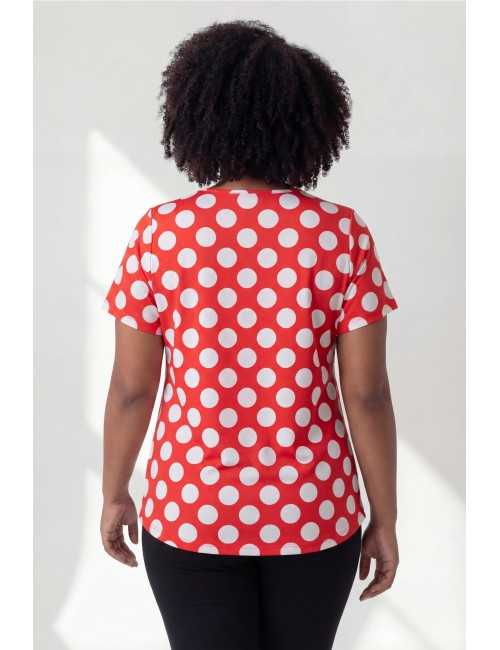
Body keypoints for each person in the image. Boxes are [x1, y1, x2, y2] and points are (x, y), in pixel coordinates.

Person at [100, 19, 399, 650]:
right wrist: (385, 516)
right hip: (314, 511)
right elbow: (367, 394)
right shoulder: (340, 234)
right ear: (309, 122)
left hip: (190, 508)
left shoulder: (161, 233)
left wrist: (114, 492)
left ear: (195, 116)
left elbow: (131, 387)